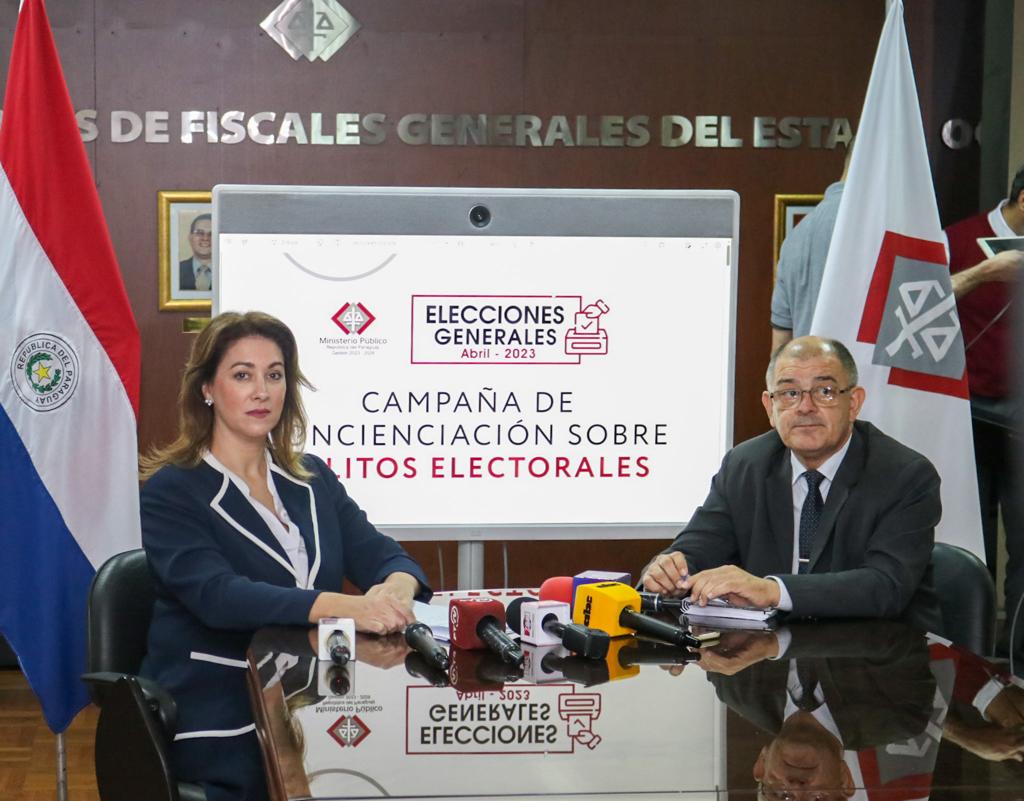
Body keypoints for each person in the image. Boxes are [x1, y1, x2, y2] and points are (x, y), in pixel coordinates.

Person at [139, 310, 431, 801]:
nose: (261, 391)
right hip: (222, 705)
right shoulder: (172, 490)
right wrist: (349, 606)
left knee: (396, 774)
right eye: (242, 375)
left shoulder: (311, 478)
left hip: (318, 699)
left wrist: (396, 590)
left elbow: (383, 555)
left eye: (274, 375)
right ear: (207, 388)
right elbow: (219, 596)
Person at [641, 336, 941, 628]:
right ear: (770, 407)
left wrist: (772, 591)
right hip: (767, 659)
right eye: (789, 394)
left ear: (854, 403)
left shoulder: (904, 476)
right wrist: (669, 571)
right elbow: (698, 549)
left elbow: (886, 586)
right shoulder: (745, 466)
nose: (805, 407)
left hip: (873, 661)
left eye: (825, 391)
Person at [944, 165, 1024, 653]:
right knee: (970, 546)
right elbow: (920, 302)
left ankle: (1018, 663)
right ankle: (969, 661)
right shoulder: (961, 238)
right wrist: (986, 272)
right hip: (968, 416)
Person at [770, 147, 853, 354]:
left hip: (807, 382)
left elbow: (780, 349)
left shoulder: (797, 236)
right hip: (865, 383)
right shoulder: (892, 229)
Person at [178, 212, 213, 291]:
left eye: (211, 234)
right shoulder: (175, 270)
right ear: (190, 238)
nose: (205, 238)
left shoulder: (230, 271)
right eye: (199, 233)